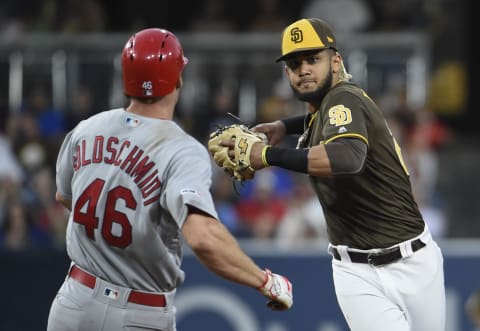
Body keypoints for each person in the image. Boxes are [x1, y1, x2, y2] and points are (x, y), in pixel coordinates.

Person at [47, 28, 292, 331]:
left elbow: (64, 197)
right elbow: (203, 239)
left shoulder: (86, 129)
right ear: (177, 79)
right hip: (138, 311)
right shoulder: (181, 150)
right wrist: (266, 282)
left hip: (74, 301)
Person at [232, 18, 445, 330]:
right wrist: (283, 127)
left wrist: (267, 156)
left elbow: (347, 158)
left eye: (312, 59)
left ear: (335, 61)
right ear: (287, 72)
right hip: (355, 272)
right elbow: (321, 121)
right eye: (294, 63)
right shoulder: (327, 108)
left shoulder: (344, 97)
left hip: (413, 263)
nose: (303, 69)